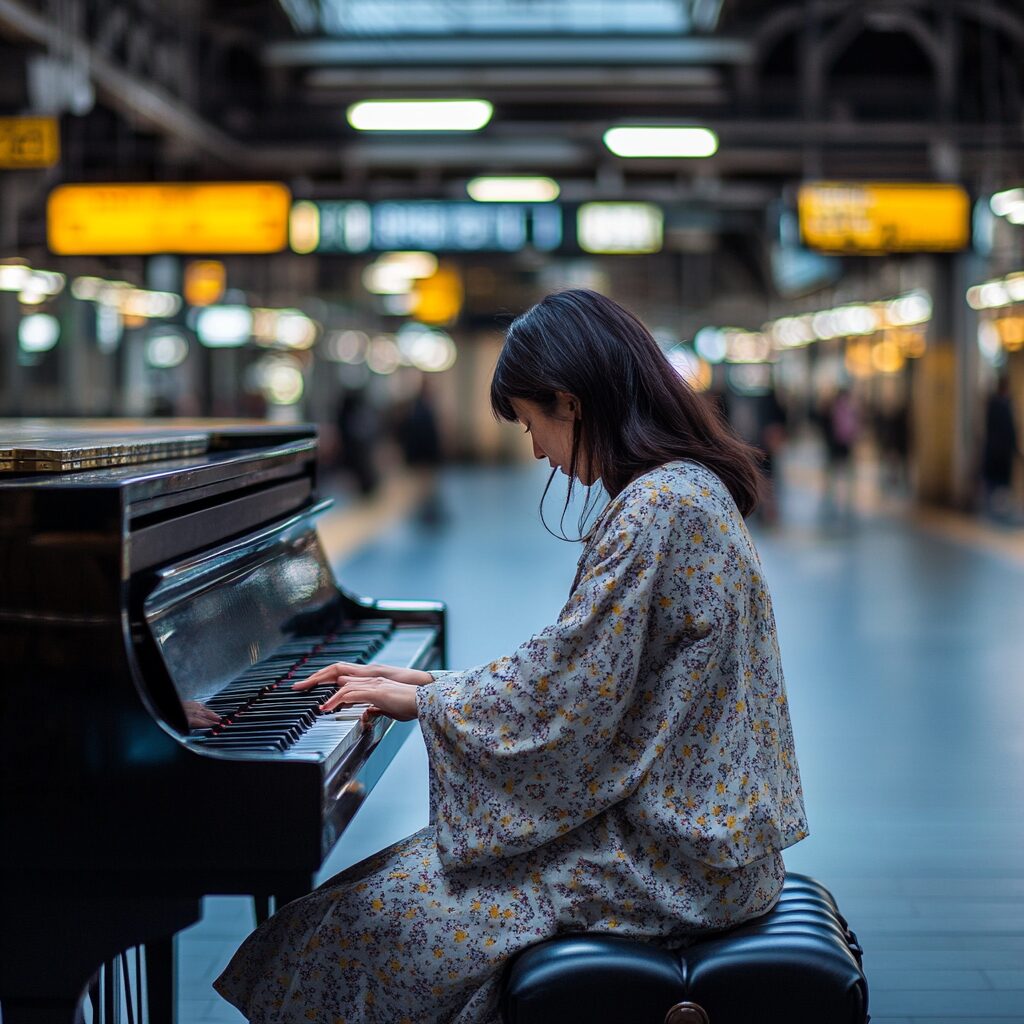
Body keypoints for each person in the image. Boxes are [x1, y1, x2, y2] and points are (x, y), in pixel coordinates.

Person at [214, 289, 808, 1023]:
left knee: (363, 924)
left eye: (533, 423)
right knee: (375, 892)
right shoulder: (682, 490)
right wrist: (431, 682)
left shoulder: (661, 508)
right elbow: (582, 671)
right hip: (694, 844)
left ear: (571, 401)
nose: (535, 449)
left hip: (679, 865)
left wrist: (428, 700)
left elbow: (571, 699)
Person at [981, 375, 1020, 521]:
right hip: (1002, 451)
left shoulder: (992, 404)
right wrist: (1015, 448)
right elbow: (1010, 430)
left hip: (993, 449)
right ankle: (999, 508)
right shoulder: (1005, 405)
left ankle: (993, 506)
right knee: (1001, 480)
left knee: (993, 480)